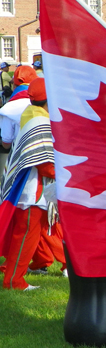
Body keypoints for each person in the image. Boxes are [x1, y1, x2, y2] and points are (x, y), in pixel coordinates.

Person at [1, 78, 66, 291]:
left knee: (29, 236)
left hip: (28, 187)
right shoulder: (41, 121)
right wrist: (65, 174)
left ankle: (15, 276)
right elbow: (44, 162)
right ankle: (14, 281)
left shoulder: (31, 114)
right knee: (25, 237)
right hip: (32, 189)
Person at [0, 65, 38, 150]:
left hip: (20, 157)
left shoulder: (8, 109)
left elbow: (6, 143)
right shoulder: (45, 105)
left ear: (14, 86)